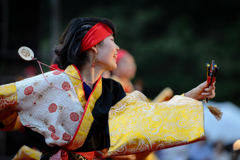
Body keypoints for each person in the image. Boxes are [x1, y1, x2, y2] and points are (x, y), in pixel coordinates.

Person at [0, 17, 216, 160]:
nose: (118, 48)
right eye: (112, 40)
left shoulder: (112, 90)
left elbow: (146, 117)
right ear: (93, 46)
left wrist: (190, 96)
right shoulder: (52, 81)